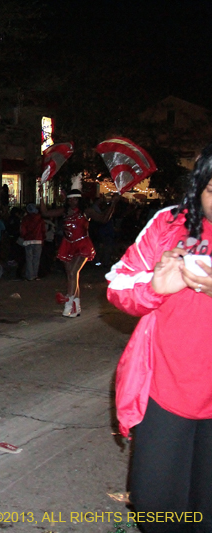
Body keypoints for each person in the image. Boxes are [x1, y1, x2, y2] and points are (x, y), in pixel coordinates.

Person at [106, 143, 212, 533]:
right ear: (199, 186)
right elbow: (118, 283)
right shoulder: (169, 223)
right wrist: (154, 286)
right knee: (154, 506)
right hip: (165, 389)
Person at [41, 178, 119, 317]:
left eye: (75, 200)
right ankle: (76, 306)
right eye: (70, 200)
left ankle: (68, 303)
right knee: (72, 275)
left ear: (79, 200)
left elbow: (103, 219)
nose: (72, 202)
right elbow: (45, 213)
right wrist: (41, 196)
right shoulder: (64, 211)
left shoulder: (86, 211)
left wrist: (113, 204)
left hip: (82, 244)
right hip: (67, 244)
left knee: (72, 272)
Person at [20, 204, 45, 281]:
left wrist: (24, 236)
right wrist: (43, 238)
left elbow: (22, 230)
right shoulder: (40, 219)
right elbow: (43, 230)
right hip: (38, 239)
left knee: (29, 259)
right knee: (36, 259)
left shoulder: (25, 219)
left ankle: (29, 275)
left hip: (28, 240)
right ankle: (35, 275)